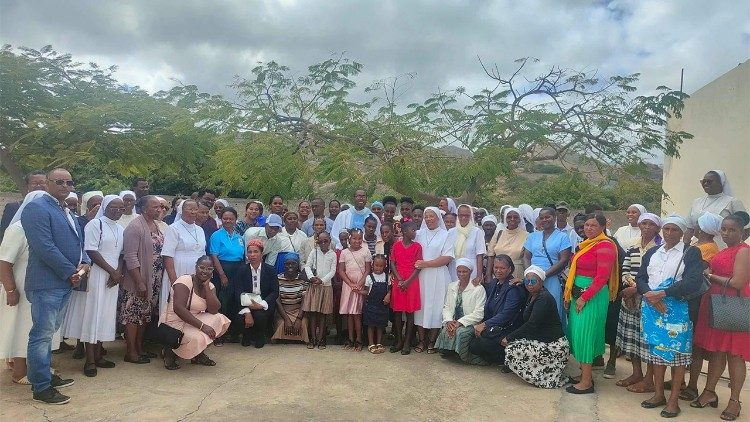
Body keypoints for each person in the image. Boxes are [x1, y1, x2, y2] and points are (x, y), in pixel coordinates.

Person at [21, 168, 89, 405]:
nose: (64, 185)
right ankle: (40, 387)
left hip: (63, 282)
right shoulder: (36, 208)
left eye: (68, 182)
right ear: (47, 184)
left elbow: (78, 241)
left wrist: (84, 262)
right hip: (46, 283)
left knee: (49, 333)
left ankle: (46, 376)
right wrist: (71, 271)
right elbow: (44, 247)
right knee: (41, 335)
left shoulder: (65, 209)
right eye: (58, 181)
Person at [637, 214, 704, 418]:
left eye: (674, 229)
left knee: (677, 356)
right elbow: (641, 277)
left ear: (682, 232)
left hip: (677, 312)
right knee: (657, 354)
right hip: (652, 308)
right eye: (666, 229)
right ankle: (658, 395)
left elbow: (694, 281)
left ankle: (673, 400)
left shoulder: (690, 252)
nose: (669, 233)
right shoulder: (652, 253)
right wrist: (649, 294)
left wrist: (663, 294)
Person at [0, 191, 63, 386]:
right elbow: (4, 262)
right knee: (22, 328)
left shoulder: (47, 227)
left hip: (44, 286)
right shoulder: (17, 229)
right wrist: (11, 289)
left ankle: (38, 369)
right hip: (20, 287)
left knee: (41, 329)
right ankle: (19, 371)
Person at [692, 214, 749, 421]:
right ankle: (709, 392)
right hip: (717, 304)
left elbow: (738, 283)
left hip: (733, 306)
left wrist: (710, 275)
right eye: (724, 229)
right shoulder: (725, 250)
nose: (726, 233)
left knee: (735, 355)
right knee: (717, 351)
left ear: (741, 231)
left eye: (732, 229)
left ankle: (734, 401)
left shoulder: (743, 251)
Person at [61, 195, 124, 377]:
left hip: (113, 276)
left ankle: (99, 354)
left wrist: (118, 273)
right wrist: (112, 272)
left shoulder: (120, 228)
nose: (118, 211)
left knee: (105, 314)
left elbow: (121, 254)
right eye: (114, 207)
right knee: (93, 313)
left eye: (121, 208)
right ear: (105, 207)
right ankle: (89, 360)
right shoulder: (96, 225)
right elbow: (91, 250)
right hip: (97, 273)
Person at [563, 213, 619, 394]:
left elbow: (602, 276)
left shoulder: (605, 246)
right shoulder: (585, 245)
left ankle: (586, 382)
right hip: (579, 294)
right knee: (578, 334)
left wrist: (583, 297)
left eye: (593, 225)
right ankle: (584, 375)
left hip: (591, 296)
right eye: (586, 225)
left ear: (603, 227)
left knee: (586, 334)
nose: (588, 228)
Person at [614, 213, 661, 392]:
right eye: (644, 223)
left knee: (647, 339)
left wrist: (636, 289)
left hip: (649, 297)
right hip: (630, 297)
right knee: (632, 337)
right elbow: (625, 267)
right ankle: (636, 373)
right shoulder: (633, 244)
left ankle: (649, 380)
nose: (647, 227)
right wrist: (630, 286)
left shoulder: (659, 247)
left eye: (651, 224)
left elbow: (656, 274)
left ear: (657, 228)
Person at [502, 265, 569, 388]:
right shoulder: (533, 293)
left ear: (542, 282)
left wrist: (509, 337)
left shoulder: (543, 298)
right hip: (542, 339)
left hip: (553, 345)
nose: (529, 284)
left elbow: (531, 324)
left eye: (533, 281)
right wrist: (522, 281)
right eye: (527, 281)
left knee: (511, 349)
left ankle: (544, 377)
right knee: (515, 344)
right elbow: (529, 282)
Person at [680, 211, 722, 401]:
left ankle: (693, 386)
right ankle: (681, 381)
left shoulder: (707, 248)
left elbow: (692, 272)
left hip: (699, 300)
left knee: (697, 344)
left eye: (697, 224)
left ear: (702, 227)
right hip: (695, 298)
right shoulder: (702, 245)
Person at [162, 256, 231, 370]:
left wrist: (207, 288)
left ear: (212, 271)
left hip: (193, 320)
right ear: (195, 267)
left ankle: (197, 355)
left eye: (209, 269)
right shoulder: (184, 281)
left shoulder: (210, 286)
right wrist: (203, 326)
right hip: (175, 322)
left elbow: (214, 309)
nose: (205, 271)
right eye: (202, 267)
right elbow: (178, 309)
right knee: (199, 336)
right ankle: (169, 352)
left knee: (219, 319)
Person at [121, 196, 164, 364]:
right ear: (145, 208)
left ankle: (139, 348)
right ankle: (130, 351)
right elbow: (130, 256)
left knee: (144, 314)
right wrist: (139, 281)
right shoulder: (135, 226)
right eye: (155, 207)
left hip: (153, 279)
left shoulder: (156, 225)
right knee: (133, 315)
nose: (159, 209)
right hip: (138, 279)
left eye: (160, 206)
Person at [466, 254, 526, 365]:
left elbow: (507, 314)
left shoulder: (513, 288)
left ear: (510, 269)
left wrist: (485, 324)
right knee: (473, 342)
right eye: (496, 267)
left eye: (502, 268)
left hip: (507, 329)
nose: (498, 270)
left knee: (477, 345)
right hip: (493, 327)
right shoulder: (494, 283)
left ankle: (502, 359)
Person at [523, 207, 572, 330]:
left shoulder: (563, 237)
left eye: (547, 217)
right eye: (541, 217)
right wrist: (530, 275)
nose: (544, 220)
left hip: (550, 279)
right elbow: (526, 257)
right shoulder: (533, 236)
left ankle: (554, 342)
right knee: (533, 312)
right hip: (532, 281)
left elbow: (564, 260)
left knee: (552, 310)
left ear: (554, 217)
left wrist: (542, 275)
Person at [413, 207, 454, 354]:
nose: (429, 219)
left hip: (438, 275)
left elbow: (448, 257)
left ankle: (432, 341)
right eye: (426, 216)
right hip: (421, 276)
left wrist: (427, 264)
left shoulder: (446, 235)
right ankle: (421, 340)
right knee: (421, 307)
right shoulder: (418, 234)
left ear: (438, 218)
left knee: (436, 307)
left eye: (432, 216)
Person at [434, 258, 487, 361]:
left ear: (470, 272)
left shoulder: (478, 289)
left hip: (470, 323)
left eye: (465, 271)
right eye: (459, 271)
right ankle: (450, 351)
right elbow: (447, 307)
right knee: (446, 329)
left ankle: (464, 356)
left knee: (460, 332)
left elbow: (479, 313)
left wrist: (460, 322)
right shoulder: (452, 286)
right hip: (454, 321)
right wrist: (449, 321)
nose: (461, 274)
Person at [160, 200, 206, 315]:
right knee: (176, 303)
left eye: (196, 209)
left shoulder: (200, 230)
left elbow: (203, 253)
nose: (193, 212)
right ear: (182, 210)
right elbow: (168, 256)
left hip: (196, 272)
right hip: (179, 270)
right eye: (190, 209)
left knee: (194, 304)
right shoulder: (173, 228)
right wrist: (174, 281)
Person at [208, 206, 245, 343]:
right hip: (222, 270)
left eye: (231, 218)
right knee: (223, 302)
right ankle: (219, 334)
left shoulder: (239, 237)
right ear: (221, 219)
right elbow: (214, 256)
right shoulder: (216, 235)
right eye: (225, 218)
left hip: (238, 270)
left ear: (236, 220)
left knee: (235, 301)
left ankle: (233, 332)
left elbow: (242, 256)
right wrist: (222, 275)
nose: (228, 221)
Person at [233, 239, 279, 348]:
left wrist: (261, 304)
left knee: (259, 315)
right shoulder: (241, 270)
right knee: (241, 317)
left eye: (255, 251)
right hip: (245, 302)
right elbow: (238, 292)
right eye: (249, 252)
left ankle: (260, 336)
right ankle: (246, 335)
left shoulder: (270, 270)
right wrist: (247, 311)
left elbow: (274, 291)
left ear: (261, 254)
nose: (252, 255)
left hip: (263, 301)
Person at [685, 170, 746, 248]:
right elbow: (690, 228)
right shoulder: (696, 202)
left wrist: (733, 247)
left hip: (721, 249)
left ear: (721, 183)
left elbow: (746, 228)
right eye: (704, 181)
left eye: (709, 181)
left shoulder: (732, 202)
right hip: (695, 248)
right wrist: (685, 246)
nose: (706, 184)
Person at [389, 222, 422, 354]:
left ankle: (407, 343)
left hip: (412, 281)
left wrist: (407, 281)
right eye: (412, 230)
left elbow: (418, 266)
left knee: (410, 314)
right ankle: (398, 341)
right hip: (399, 280)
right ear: (404, 231)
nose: (415, 232)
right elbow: (392, 262)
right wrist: (399, 279)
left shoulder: (417, 247)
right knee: (397, 312)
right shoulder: (396, 245)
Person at [338, 228, 372, 351]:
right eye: (354, 238)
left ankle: (359, 339)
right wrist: (350, 284)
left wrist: (359, 284)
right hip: (348, 286)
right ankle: (350, 338)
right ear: (349, 239)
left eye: (359, 238)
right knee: (349, 314)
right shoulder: (344, 252)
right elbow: (341, 270)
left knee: (357, 314)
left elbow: (368, 270)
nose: (357, 241)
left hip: (359, 285)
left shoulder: (366, 251)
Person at [302, 231, 336, 349]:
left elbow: (333, 271)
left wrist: (322, 280)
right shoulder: (314, 252)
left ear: (329, 241)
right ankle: (313, 338)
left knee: (322, 315)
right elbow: (307, 266)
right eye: (320, 241)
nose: (323, 243)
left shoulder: (333, 254)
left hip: (325, 287)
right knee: (313, 313)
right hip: (314, 286)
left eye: (325, 241)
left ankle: (322, 339)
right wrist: (312, 278)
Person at [271, 253, 309, 344]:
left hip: (299, 311)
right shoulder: (278, 279)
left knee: (303, 323)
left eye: (293, 263)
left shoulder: (303, 279)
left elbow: (305, 300)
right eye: (287, 264)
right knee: (282, 324)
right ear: (284, 265)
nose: (290, 266)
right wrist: (286, 319)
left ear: (298, 265)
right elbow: (277, 300)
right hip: (283, 311)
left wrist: (299, 319)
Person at [0, 170, 47, 241]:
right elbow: (4, 233)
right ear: (27, 186)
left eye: (42, 182)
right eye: (34, 183)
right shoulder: (13, 207)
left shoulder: (56, 206)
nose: (38, 185)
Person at [448, 204, 486, 286]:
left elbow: (479, 255)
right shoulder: (451, 232)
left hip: (471, 269)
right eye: (461, 215)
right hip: (454, 268)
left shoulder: (477, 232)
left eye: (466, 215)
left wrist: (479, 275)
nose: (463, 218)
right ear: (457, 216)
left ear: (471, 216)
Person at [487, 207, 528, 281]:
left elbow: (527, 258)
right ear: (505, 218)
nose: (512, 219)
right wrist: (488, 276)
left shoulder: (527, 235)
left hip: (517, 274)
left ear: (520, 219)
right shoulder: (499, 233)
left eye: (515, 217)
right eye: (509, 217)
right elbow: (490, 255)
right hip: (498, 273)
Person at [363, 254, 391, 354]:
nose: (378, 268)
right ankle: (371, 343)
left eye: (381, 266)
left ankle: (379, 343)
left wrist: (388, 294)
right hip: (371, 305)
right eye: (376, 265)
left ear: (385, 266)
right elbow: (366, 292)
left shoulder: (388, 277)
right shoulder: (369, 278)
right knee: (371, 325)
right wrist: (358, 291)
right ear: (372, 265)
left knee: (380, 325)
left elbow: (390, 290)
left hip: (383, 305)